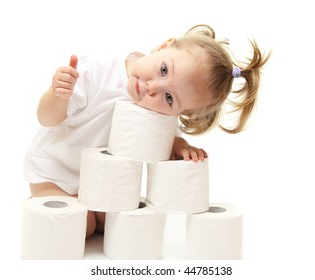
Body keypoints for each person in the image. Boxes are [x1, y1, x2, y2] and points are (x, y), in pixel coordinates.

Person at [23, 24, 270, 238]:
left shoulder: (160, 114)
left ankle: (87, 212)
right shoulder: (98, 73)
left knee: (121, 227)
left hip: (101, 183)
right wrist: (57, 96)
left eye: (170, 98)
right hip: (53, 172)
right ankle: (50, 209)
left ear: (181, 113)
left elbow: (165, 140)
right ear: (164, 46)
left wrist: (181, 147)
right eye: (164, 70)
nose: (153, 87)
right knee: (82, 227)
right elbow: (46, 118)